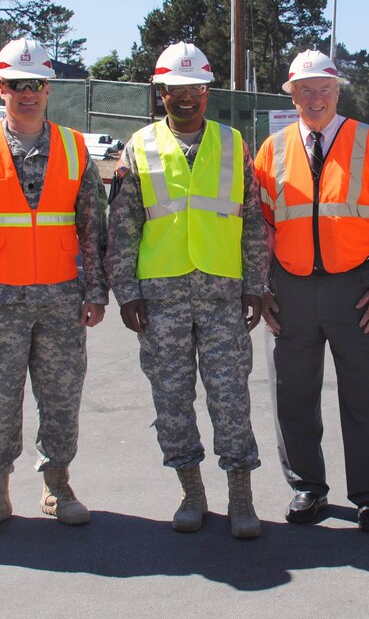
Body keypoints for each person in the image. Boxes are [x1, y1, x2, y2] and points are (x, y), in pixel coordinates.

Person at [0, 37, 109, 538]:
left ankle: (58, 485)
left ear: (48, 88)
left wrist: (96, 292)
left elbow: (93, 228)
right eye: (16, 84)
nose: (26, 94)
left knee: (60, 397)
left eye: (35, 84)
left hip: (60, 300)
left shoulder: (75, 148)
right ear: (1, 88)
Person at [254, 49, 369, 532]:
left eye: (324, 88)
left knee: (368, 395)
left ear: (337, 91)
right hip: (291, 292)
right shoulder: (274, 149)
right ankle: (308, 488)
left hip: (358, 291)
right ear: (292, 95)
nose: (315, 97)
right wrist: (261, 287)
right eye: (305, 90)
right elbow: (260, 229)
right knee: (292, 395)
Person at [106, 42, 267, 539]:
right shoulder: (139, 146)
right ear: (161, 94)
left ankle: (241, 496)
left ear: (207, 91)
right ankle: (191, 493)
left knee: (230, 398)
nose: (185, 98)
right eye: (174, 90)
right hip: (162, 299)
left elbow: (254, 221)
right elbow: (123, 226)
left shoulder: (233, 144)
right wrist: (126, 290)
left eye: (194, 88)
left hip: (222, 296)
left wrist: (256, 284)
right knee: (172, 399)